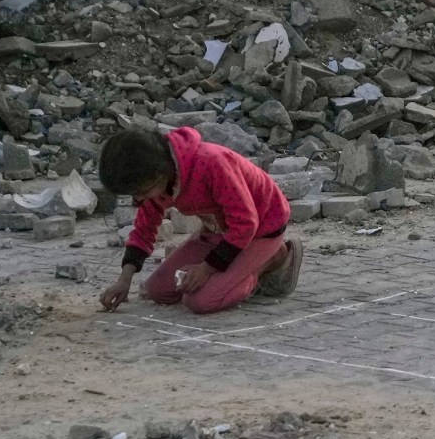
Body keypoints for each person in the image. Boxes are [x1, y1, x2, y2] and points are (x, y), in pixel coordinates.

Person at [95, 124, 300, 315]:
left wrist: (206, 269)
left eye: (141, 191)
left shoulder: (211, 162)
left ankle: (275, 258)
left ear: (158, 173)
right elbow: (143, 230)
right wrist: (124, 280)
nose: (139, 198)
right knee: (158, 291)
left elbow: (245, 223)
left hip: (262, 228)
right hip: (220, 230)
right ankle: (234, 262)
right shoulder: (157, 183)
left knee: (202, 301)